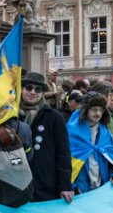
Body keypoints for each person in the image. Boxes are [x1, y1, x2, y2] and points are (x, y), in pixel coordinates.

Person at [20, 71, 75, 203]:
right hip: (16, 182)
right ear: (21, 89)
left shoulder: (54, 117)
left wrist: (65, 185)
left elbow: (63, 152)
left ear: (43, 93)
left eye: (38, 89)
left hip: (45, 183)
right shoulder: (11, 115)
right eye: (28, 88)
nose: (33, 92)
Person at [66, 93, 113, 193]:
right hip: (80, 191)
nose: (98, 113)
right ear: (85, 110)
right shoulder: (72, 132)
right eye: (94, 109)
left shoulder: (105, 133)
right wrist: (72, 187)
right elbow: (64, 162)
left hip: (103, 188)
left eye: (101, 110)